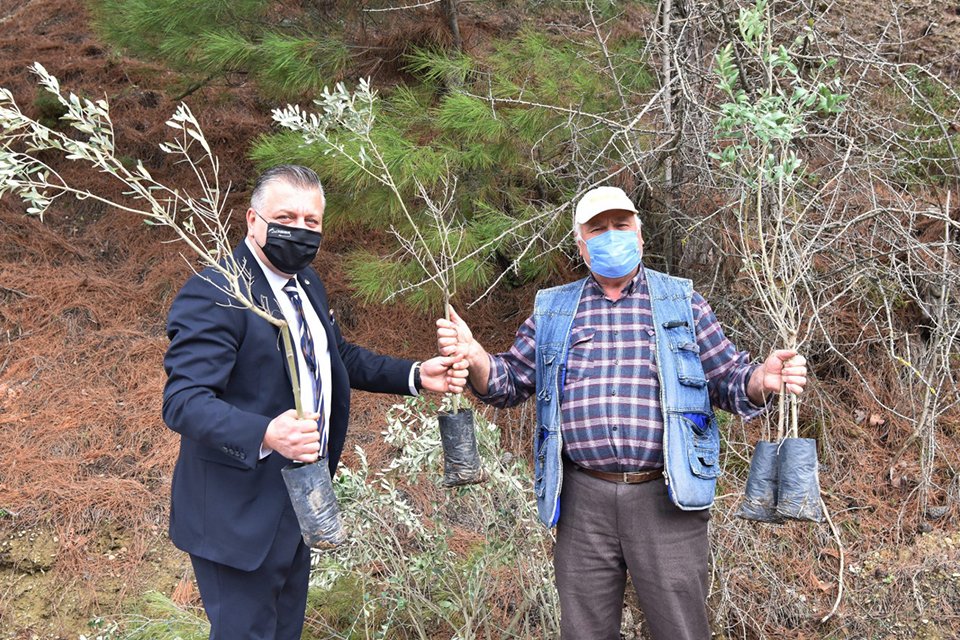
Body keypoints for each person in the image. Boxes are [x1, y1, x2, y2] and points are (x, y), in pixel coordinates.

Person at [436, 186, 808, 640]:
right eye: (598, 228)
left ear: (640, 235)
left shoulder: (681, 302)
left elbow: (728, 379)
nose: (611, 236)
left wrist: (761, 380)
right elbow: (510, 381)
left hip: (666, 497)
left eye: (621, 226)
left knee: (682, 630)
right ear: (581, 245)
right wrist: (474, 355)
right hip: (582, 501)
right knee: (585, 631)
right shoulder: (554, 309)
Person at [162, 164, 467, 640]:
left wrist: (413, 374)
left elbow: (333, 356)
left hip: (301, 500)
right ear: (253, 221)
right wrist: (265, 432)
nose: (300, 231)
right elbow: (183, 401)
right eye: (287, 217)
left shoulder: (306, 283)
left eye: (312, 222)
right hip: (237, 514)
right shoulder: (219, 291)